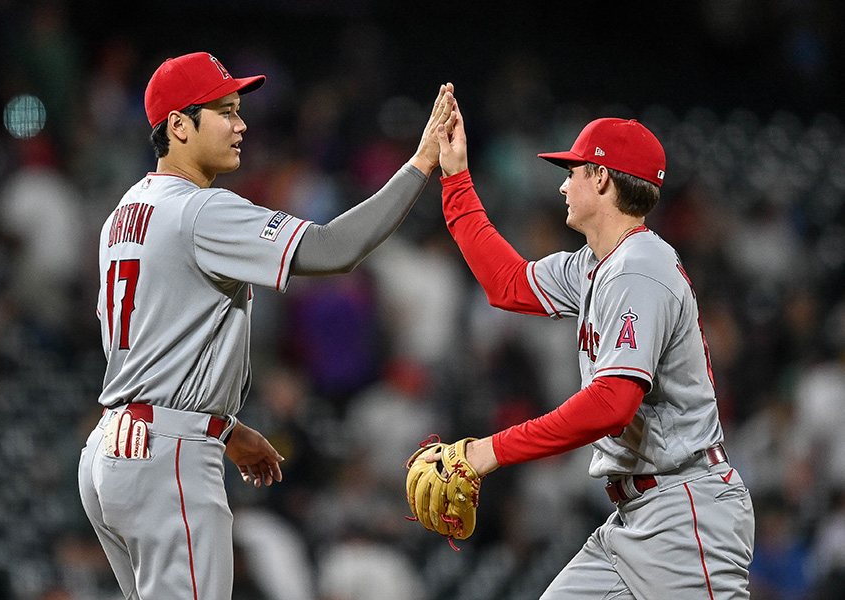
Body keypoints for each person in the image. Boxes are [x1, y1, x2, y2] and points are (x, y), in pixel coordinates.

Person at [77, 51, 454, 600]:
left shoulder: (124, 213)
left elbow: (156, 345)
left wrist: (224, 428)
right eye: (225, 111)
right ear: (178, 126)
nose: (241, 124)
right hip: (167, 455)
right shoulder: (199, 210)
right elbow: (334, 249)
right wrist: (421, 163)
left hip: (113, 447)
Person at [431, 98, 755, 598]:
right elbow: (507, 284)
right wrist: (456, 179)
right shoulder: (595, 263)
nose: (563, 184)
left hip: (686, 516)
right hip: (634, 517)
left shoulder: (640, 267)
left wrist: (487, 452)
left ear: (601, 177)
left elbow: (611, 405)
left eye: (573, 171)